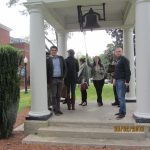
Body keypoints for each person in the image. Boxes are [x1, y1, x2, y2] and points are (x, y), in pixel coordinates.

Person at [46, 46, 67, 116]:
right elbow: (46, 70)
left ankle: (58, 109)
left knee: (58, 95)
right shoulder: (48, 59)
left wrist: (63, 77)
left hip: (60, 79)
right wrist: (48, 80)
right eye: (52, 50)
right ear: (50, 51)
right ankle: (55, 109)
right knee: (54, 95)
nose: (53, 51)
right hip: (52, 79)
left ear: (57, 51)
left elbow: (65, 68)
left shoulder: (61, 58)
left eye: (55, 50)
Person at [113, 47, 131, 119]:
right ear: (115, 53)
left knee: (121, 97)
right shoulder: (118, 60)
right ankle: (121, 111)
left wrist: (127, 81)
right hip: (117, 80)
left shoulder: (125, 60)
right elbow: (116, 71)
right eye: (117, 51)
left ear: (122, 52)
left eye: (119, 51)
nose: (118, 53)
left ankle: (122, 113)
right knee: (119, 97)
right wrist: (114, 79)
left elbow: (128, 71)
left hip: (122, 80)